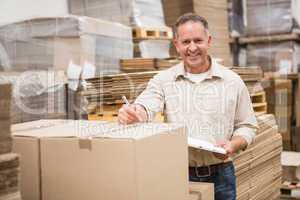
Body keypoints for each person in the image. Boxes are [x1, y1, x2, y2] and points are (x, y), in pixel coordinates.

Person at [118, 13, 257, 200]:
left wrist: (233, 144)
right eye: (185, 42)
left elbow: (247, 125)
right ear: (176, 45)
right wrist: (135, 113)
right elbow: (147, 105)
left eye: (198, 40)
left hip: (221, 176)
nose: (192, 48)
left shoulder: (232, 82)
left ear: (209, 41)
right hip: (178, 174)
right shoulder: (164, 80)